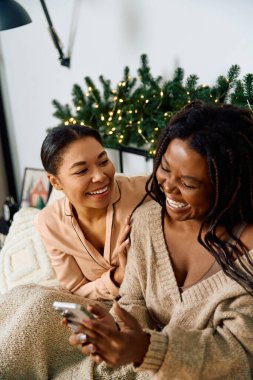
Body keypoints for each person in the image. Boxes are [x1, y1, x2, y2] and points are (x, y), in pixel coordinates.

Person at [68, 101, 253, 379]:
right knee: (30, 306)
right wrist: (118, 329)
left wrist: (145, 349)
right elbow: (133, 298)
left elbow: (237, 357)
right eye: (165, 168)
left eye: (189, 184)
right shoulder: (147, 218)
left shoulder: (247, 258)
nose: (167, 186)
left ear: (228, 187)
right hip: (133, 364)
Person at [35, 124, 149, 300]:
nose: (100, 176)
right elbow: (76, 289)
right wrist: (117, 277)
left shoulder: (146, 192)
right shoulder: (50, 222)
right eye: (81, 171)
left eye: (103, 162)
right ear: (56, 182)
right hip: (96, 308)